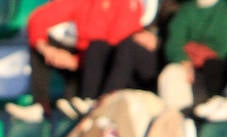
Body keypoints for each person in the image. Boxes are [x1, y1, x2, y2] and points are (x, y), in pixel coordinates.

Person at [8, 0, 157, 122]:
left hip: (108, 66)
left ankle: (90, 100)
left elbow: (116, 41)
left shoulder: (128, 4)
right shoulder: (83, 2)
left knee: (97, 47)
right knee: (40, 44)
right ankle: (41, 105)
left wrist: (76, 60)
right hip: (85, 62)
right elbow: (38, 18)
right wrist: (47, 50)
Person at [156, 0, 227, 113]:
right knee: (172, 73)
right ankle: (180, 120)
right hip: (197, 71)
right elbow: (174, 45)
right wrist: (184, 61)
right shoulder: (187, 11)